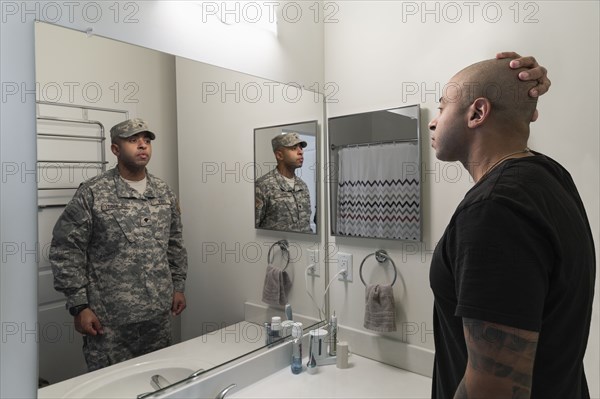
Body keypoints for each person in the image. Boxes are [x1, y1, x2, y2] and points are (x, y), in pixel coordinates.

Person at [428, 54, 595, 398]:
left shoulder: (494, 211)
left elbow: (493, 390)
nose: (433, 122)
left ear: (477, 113)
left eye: (442, 108)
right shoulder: (549, 176)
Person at [50, 118, 188, 371]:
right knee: (109, 387)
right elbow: (65, 249)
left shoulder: (163, 192)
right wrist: (79, 306)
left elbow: (175, 243)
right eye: (133, 140)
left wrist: (178, 286)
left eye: (146, 141)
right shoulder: (94, 192)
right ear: (115, 149)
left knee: (158, 379)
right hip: (109, 318)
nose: (142, 146)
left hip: (157, 314)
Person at [255, 132, 313, 232]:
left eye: (301, 147)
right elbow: (252, 230)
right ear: (279, 155)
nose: (301, 152)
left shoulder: (302, 186)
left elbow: (306, 225)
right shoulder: (263, 186)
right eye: (294, 148)